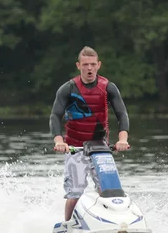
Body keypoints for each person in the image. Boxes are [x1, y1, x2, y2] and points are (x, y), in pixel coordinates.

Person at [49, 46, 130, 222]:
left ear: (99, 65)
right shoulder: (68, 89)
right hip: (74, 148)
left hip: (100, 147)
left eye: (93, 64)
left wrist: (122, 139)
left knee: (109, 190)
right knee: (75, 192)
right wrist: (59, 141)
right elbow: (55, 116)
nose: (89, 68)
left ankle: (110, 222)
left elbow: (122, 114)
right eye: (85, 64)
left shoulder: (108, 87)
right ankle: (68, 225)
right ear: (79, 65)